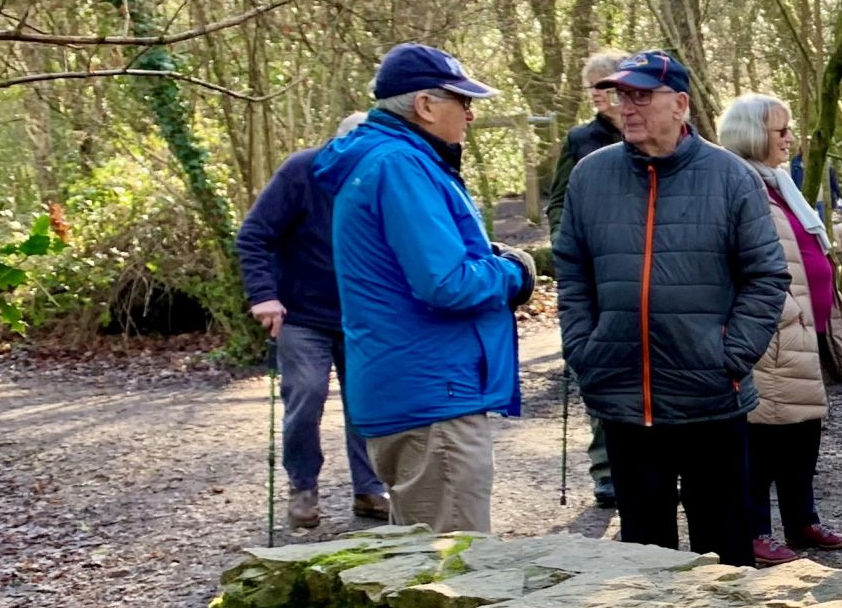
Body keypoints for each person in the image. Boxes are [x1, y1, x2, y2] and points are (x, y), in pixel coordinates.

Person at [553, 51, 785, 567]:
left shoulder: (730, 176)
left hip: (711, 397)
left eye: (641, 96)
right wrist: (585, 349)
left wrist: (730, 355)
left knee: (725, 553)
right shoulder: (591, 176)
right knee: (644, 558)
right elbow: (572, 271)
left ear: (680, 104)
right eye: (621, 96)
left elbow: (767, 276)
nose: (627, 108)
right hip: (623, 397)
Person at [317, 44, 535, 534]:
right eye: (463, 101)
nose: (471, 114)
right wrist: (515, 272)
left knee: (422, 556)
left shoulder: (384, 160)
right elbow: (447, 282)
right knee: (455, 572)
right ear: (425, 105)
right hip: (434, 395)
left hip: (412, 389)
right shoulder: (400, 164)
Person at [238, 110, 389, 530]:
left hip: (361, 315)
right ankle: (303, 486)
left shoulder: (384, 178)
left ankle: (370, 489)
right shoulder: (302, 171)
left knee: (367, 403)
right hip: (302, 313)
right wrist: (264, 296)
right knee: (306, 395)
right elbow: (254, 235)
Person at [719, 93, 842, 563]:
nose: (790, 138)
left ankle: (802, 521)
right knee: (763, 434)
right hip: (771, 330)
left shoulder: (778, 182)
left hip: (803, 329)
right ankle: (754, 530)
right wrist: (776, 316)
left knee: (802, 430)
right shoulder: (738, 183)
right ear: (755, 135)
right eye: (781, 131)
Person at [546, 48, 628, 508]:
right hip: (594, 274)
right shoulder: (580, 139)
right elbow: (557, 203)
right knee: (597, 366)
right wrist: (568, 246)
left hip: (643, 270)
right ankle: (605, 471)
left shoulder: (661, 135)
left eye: (604, 85)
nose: (596, 96)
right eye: (591, 88)